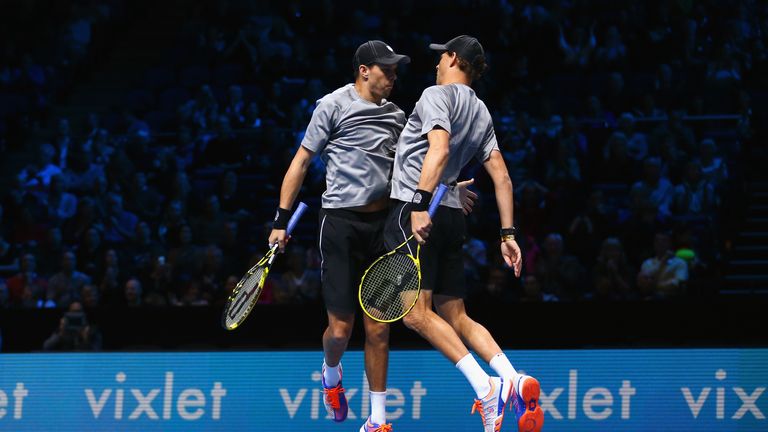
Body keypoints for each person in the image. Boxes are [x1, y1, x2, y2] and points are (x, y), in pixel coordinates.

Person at [385, 35, 542, 432]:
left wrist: (419, 206)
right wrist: (508, 234)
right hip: (453, 215)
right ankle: (511, 377)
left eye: (442, 57)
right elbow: (502, 177)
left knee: (414, 315)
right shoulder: (482, 111)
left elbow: (438, 150)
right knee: (455, 314)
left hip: (414, 210)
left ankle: (486, 388)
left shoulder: (436, 95)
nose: (436, 64)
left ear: (454, 59)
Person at [268, 40, 411, 432]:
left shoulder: (398, 116)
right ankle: (331, 374)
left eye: (395, 70)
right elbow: (300, 163)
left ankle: (378, 420)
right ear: (364, 70)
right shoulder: (331, 106)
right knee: (341, 331)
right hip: (340, 226)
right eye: (386, 69)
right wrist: (281, 220)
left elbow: (414, 166)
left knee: (380, 327)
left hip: (383, 226)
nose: (393, 76)